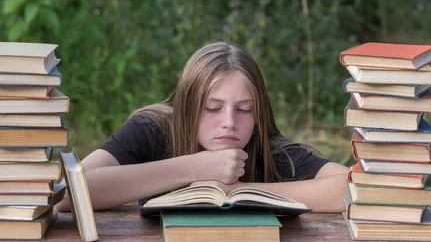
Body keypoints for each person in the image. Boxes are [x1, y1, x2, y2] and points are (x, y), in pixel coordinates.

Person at [55, 41, 349, 213]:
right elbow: (67, 192)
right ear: (187, 105)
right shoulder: (152, 128)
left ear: (259, 113)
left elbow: (353, 187)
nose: (229, 122)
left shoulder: (265, 146)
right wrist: (194, 167)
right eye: (212, 108)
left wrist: (244, 192)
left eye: (244, 109)